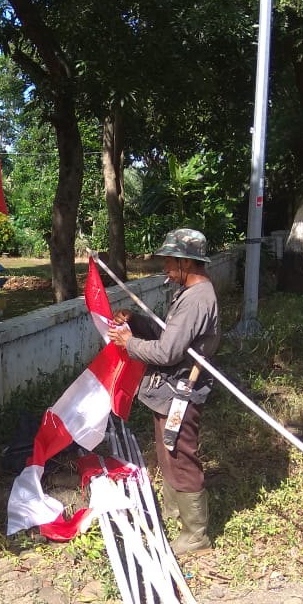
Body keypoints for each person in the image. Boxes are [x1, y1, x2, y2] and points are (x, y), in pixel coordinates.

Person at [107, 229, 221, 556]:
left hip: (182, 390)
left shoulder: (197, 299)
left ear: (187, 262)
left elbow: (168, 352)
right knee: (167, 452)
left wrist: (130, 344)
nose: (166, 266)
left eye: (171, 260)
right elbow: (169, 336)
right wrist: (138, 322)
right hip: (170, 390)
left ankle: (196, 535)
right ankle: (178, 515)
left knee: (179, 454)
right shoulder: (188, 294)